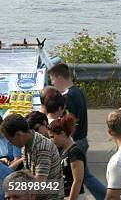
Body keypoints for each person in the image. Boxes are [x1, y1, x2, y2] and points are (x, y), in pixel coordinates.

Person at [48, 63, 107, 200]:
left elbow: (69, 124)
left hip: (76, 141)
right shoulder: (77, 92)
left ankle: (107, 197)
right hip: (82, 139)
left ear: (58, 77)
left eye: (52, 79)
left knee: (82, 177)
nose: (52, 82)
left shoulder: (68, 97)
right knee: (84, 176)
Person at [0, 114, 63, 200]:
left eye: (11, 140)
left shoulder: (42, 148)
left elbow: (39, 184)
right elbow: (28, 174)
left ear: (18, 135)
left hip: (49, 195)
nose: (11, 144)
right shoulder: (27, 144)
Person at [47, 114, 86, 200]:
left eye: (52, 137)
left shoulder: (75, 152)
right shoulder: (62, 151)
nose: (51, 140)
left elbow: (77, 181)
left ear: (63, 134)